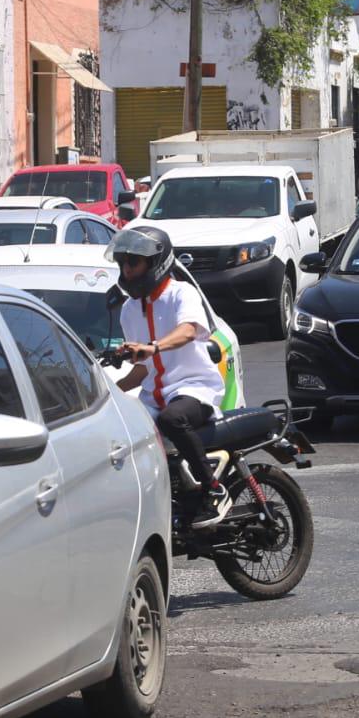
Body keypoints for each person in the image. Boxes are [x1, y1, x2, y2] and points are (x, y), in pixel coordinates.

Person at [105, 226, 231, 527]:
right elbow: (141, 371)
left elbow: (189, 330)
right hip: (153, 396)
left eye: (133, 263)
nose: (127, 270)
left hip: (194, 389)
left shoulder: (180, 293)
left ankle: (214, 489)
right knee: (116, 431)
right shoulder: (129, 310)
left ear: (155, 262)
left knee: (171, 420)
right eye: (122, 263)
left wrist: (153, 347)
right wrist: (108, 393)